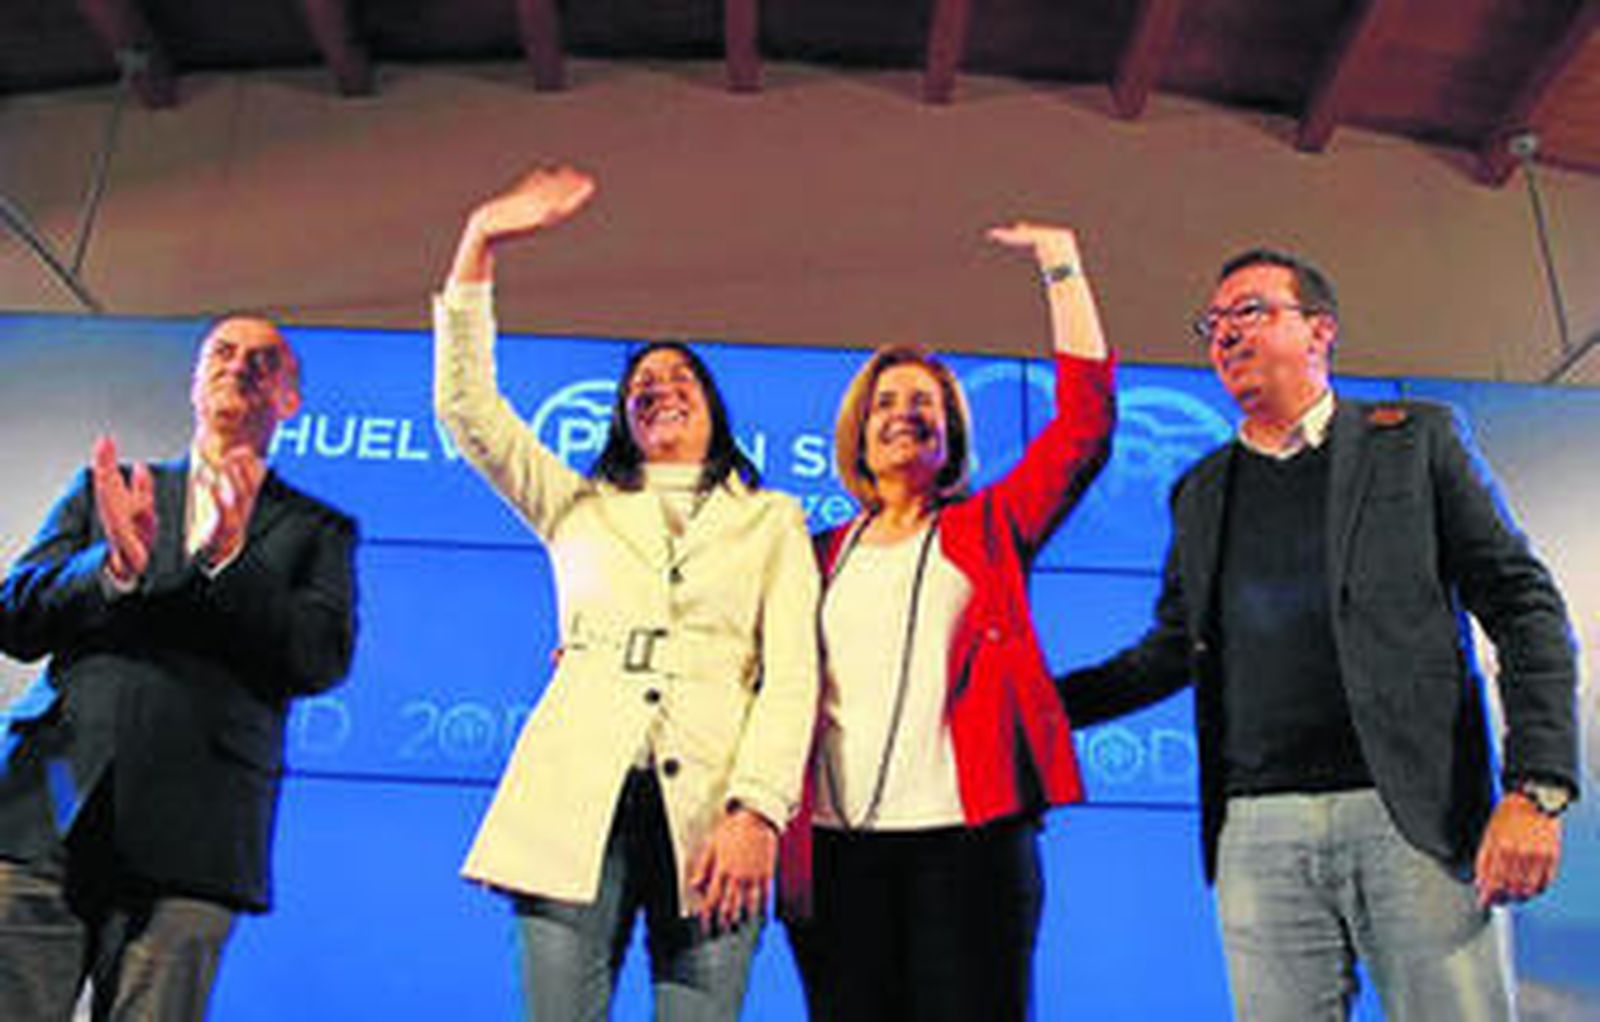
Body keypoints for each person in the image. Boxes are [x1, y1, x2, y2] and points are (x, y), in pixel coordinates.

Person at [1056, 249, 1580, 1020]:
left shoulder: (1415, 442)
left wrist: (1536, 790)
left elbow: (1523, 604)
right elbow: (1170, 651)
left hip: (1414, 816)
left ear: (1320, 332)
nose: (1226, 334)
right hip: (1257, 829)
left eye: (1252, 312)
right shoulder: (1199, 491)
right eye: (1214, 323)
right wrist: (1029, 702)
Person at [433, 165, 819, 1021]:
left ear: (715, 410)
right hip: (575, 799)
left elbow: (793, 675)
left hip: (716, 809)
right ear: (622, 417)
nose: (661, 385)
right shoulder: (576, 503)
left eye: (683, 376)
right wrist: (483, 237)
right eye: (642, 382)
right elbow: (468, 410)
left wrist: (758, 811)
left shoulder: (773, 521)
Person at [781, 222, 1115, 1020]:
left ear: (952, 432)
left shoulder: (989, 527)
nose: (904, 413)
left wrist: (1060, 265)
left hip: (969, 849)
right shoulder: (809, 554)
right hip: (835, 852)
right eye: (886, 402)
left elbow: (1084, 427)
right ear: (858, 432)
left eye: (924, 403)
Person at [0, 314, 358, 1020]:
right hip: (49, 807)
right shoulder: (110, 490)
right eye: (222, 352)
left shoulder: (317, 531)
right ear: (196, 381)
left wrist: (231, 563)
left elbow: (319, 658)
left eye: (265, 361)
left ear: (290, 400)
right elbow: (14, 616)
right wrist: (109, 568)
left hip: (198, 834)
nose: (239, 366)